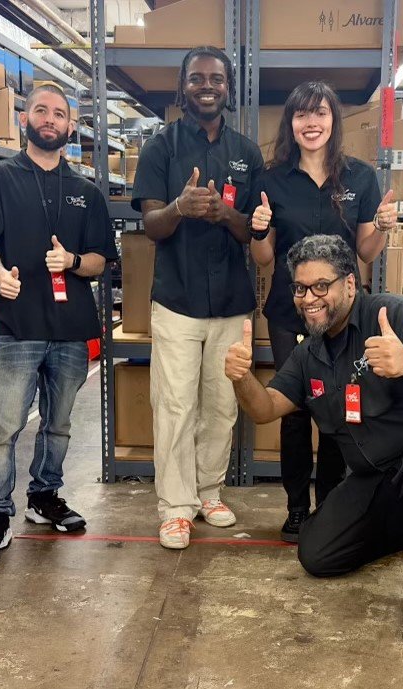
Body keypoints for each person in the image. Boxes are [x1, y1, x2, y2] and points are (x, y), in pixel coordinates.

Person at [225, 235, 403, 647]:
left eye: (321, 286)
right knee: (317, 553)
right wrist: (242, 378)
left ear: (349, 283)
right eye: (301, 288)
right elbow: (266, 408)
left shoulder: (394, 315)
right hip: (388, 473)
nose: (309, 298)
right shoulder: (312, 354)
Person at [0, 84, 118, 566]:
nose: (50, 119)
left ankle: (44, 497)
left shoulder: (86, 191)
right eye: (41, 111)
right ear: (26, 117)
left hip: (70, 328)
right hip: (17, 324)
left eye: (60, 114)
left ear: (71, 127)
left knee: (59, 425)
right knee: (2, 426)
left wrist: (71, 259)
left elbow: (100, 261)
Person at [248, 81, 397, 541]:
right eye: (301, 115)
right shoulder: (271, 181)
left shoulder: (360, 177)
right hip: (289, 312)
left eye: (320, 114)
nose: (311, 123)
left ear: (333, 121)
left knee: (340, 410)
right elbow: (264, 259)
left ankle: (332, 504)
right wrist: (257, 231)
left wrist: (385, 228)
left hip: (343, 314)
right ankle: (295, 509)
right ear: (290, 125)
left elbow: (367, 251)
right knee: (294, 412)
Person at [131, 46, 263, 549]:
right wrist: (181, 208)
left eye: (217, 79)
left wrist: (225, 215)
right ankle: (176, 506)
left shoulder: (247, 153)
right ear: (182, 86)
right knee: (175, 405)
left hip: (231, 302)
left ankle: (210, 492)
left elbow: (252, 229)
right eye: (197, 78)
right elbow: (150, 225)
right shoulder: (160, 147)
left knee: (222, 404)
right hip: (177, 301)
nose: (207, 86)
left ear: (228, 87)